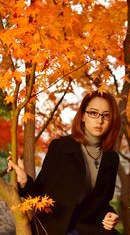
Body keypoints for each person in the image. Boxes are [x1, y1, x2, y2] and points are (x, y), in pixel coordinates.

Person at [8, 90, 122, 235]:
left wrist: (108, 215)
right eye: (93, 113)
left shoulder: (111, 158)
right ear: (82, 116)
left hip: (85, 226)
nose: (99, 120)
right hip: (56, 226)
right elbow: (40, 191)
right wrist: (24, 181)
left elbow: (102, 202)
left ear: (112, 120)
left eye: (106, 115)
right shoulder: (61, 147)